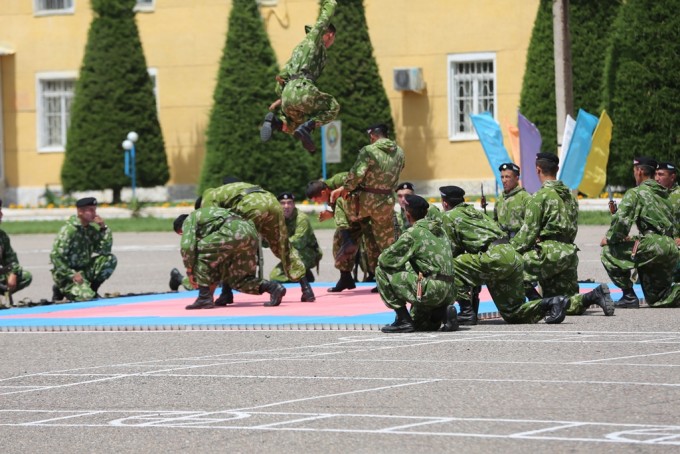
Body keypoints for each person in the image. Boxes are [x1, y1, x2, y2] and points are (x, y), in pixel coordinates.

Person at [439, 186, 579, 325]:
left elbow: (452, 252)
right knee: (513, 313)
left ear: (445, 203)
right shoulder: (476, 212)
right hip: (510, 254)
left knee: (451, 266)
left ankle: (466, 312)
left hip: (493, 257)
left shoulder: (448, 216)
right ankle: (552, 302)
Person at [511, 153, 615, 317]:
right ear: (557, 169)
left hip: (548, 254)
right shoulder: (570, 196)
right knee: (566, 302)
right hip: (568, 253)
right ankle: (594, 295)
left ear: (538, 169)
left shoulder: (539, 197)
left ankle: (541, 306)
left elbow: (527, 234)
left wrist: (508, 250)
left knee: (509, 268)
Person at [199, 180, 310, 305]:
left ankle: (227, 293)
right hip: (271, 200)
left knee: (229, 247)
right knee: (283, 245)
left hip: (251, 206)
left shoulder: (207, 201)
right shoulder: (225, 191)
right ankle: (306, 289)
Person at [260, 0, 339, 153]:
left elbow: (282, 76)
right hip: (303, 88)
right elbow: (324, 19)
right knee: (333, 106)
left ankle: (275, 122)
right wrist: (331, 2)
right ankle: (308, 128)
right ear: (330, 35)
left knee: (292, 128)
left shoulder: (299, 49)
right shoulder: (315, 41)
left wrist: (282, 97)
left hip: (288, 94)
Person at [601, 157, 680, 308]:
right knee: (658, 299)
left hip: (654, 247)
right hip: (669, 248)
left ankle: (629, 296)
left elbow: (621, 224)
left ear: (640, 171)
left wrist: (609, 239)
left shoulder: (636, 193)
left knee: (608, 252)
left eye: (634, 171)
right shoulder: (665, 195)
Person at [375, 194, 458, 333]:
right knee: (421, 325)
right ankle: (442, 313)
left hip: (431, 289)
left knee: (381, 270)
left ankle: (403, 319)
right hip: (450, 290)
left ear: (407, 214)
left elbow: (385, 260)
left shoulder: (413, 233)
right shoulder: (440, 230)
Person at [173, 208, 286, 309]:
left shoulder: (190, 219)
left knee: (198, 251)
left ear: (181, 228)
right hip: (250, 233)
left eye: (182, 234)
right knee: (238, 279)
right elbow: (216, 261)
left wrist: (189, 270)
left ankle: (204, 298)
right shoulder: (209, 222)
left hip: (233, 231)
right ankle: (273, 288)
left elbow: (187, 246)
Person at [330, 123, 405, 256]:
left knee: (341, 202)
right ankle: (392, 269)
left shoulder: (368, 150)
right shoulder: (399, 151)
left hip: (365, 203)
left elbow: (357, 174)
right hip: (386, 202)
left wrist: (345, 188)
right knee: (387, 243)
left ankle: (347, 240)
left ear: (372, 136)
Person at [306, 174, 380, 292]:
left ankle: (381, 281)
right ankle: (345, 277)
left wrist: (342, 189)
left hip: (370, 214)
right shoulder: (330, 195)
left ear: (324, 192)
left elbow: (365, 181)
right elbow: (344, 210)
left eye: (317, 199)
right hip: (354, 218)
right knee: (338, 240)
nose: (317, 202)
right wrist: (331, 214)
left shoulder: (340, 179)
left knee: (373, 247)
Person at [50, 197, 117, 302]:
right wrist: (71, 274)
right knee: (86, 297)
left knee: (109, 259)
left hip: (83, 271)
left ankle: (93, 290)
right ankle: (60, 289)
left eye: (95, 210)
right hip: (67, 275)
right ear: (80, 212)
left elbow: (104, 251)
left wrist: (103, 228)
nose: (94, 214)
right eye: (90, 210)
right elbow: (56, 256)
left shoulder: (90, 230)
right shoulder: (69, 231)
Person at [269, 192, 322, 302]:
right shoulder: (278, 219)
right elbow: (268, 241)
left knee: (281, 274)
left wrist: (276, 242)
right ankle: (305, 274)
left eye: (289, 203)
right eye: (283, 203)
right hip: (291, 252)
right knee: (275, 276)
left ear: (294, 205)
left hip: (308, 253)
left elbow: (298, 242)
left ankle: (304, 277)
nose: (286, 206)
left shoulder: (301, 219)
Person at [0, 199, 32, 309]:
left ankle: (5, 297)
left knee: (25, 276)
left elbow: (12, 261)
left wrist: (13, 273)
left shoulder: (2, 236)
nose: (1, 215)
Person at [655, 161, 680, 282]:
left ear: (672, 177)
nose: (657, 178)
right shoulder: (653, 195)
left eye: (661, 174)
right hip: (659, 244)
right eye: (656, 174)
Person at [494, 163, 531, 238]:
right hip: (501, 241)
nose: (504, 180)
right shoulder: (500, 199)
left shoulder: (525, 198)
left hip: (519, 240)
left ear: (516, 178)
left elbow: (531, 224)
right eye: (502, 177)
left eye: (507, 177)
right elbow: (495, 220)